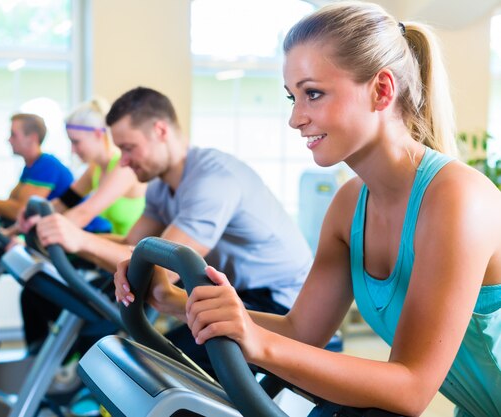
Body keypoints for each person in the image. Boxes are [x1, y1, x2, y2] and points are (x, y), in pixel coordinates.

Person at [116, 2, 501, 416]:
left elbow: (411, 388)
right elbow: (302, 332)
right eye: (292, 97)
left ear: (382, 90)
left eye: (313, 93)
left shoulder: (457, 198)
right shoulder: (350, 205)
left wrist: (255, 339)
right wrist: (175, 298)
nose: (296, 118)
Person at [36, 86, 314, 375]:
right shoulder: (160, 186)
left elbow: (163, 270)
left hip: (279, 304)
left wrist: (80, 240)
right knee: (143, 357)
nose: (125, 161)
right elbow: (132, 244)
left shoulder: (212, 180)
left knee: (159, 367)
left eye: (129, 148)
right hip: (232, 293)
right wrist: (72, 239)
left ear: (160, 131)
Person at [17, 97, 146, 354]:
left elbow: (84, 212)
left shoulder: (123, 167)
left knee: (83, 319)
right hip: (107, 260)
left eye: (76, 142)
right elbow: (63, 204)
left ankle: (65, 368)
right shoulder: (96, 169)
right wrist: (19, 227)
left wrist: (35, 235)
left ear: (99, 135)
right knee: (34, 292)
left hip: (131, 265)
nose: (74, 151)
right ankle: (43, 362)